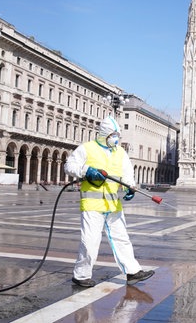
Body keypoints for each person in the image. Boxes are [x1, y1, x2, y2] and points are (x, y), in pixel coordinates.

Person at [64, 116, 154, 287]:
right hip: (92, 204)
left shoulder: (120, 152)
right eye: (113, 135)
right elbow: (69, 166)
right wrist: (86, 170)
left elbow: (127, 174)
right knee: (90, 241)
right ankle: (81, 275)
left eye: (117, 135)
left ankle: (133, 272)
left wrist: (130, 188)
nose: (116, 138)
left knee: (122, 239)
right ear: (104, 134)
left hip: (113, 204)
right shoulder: (87, 148)